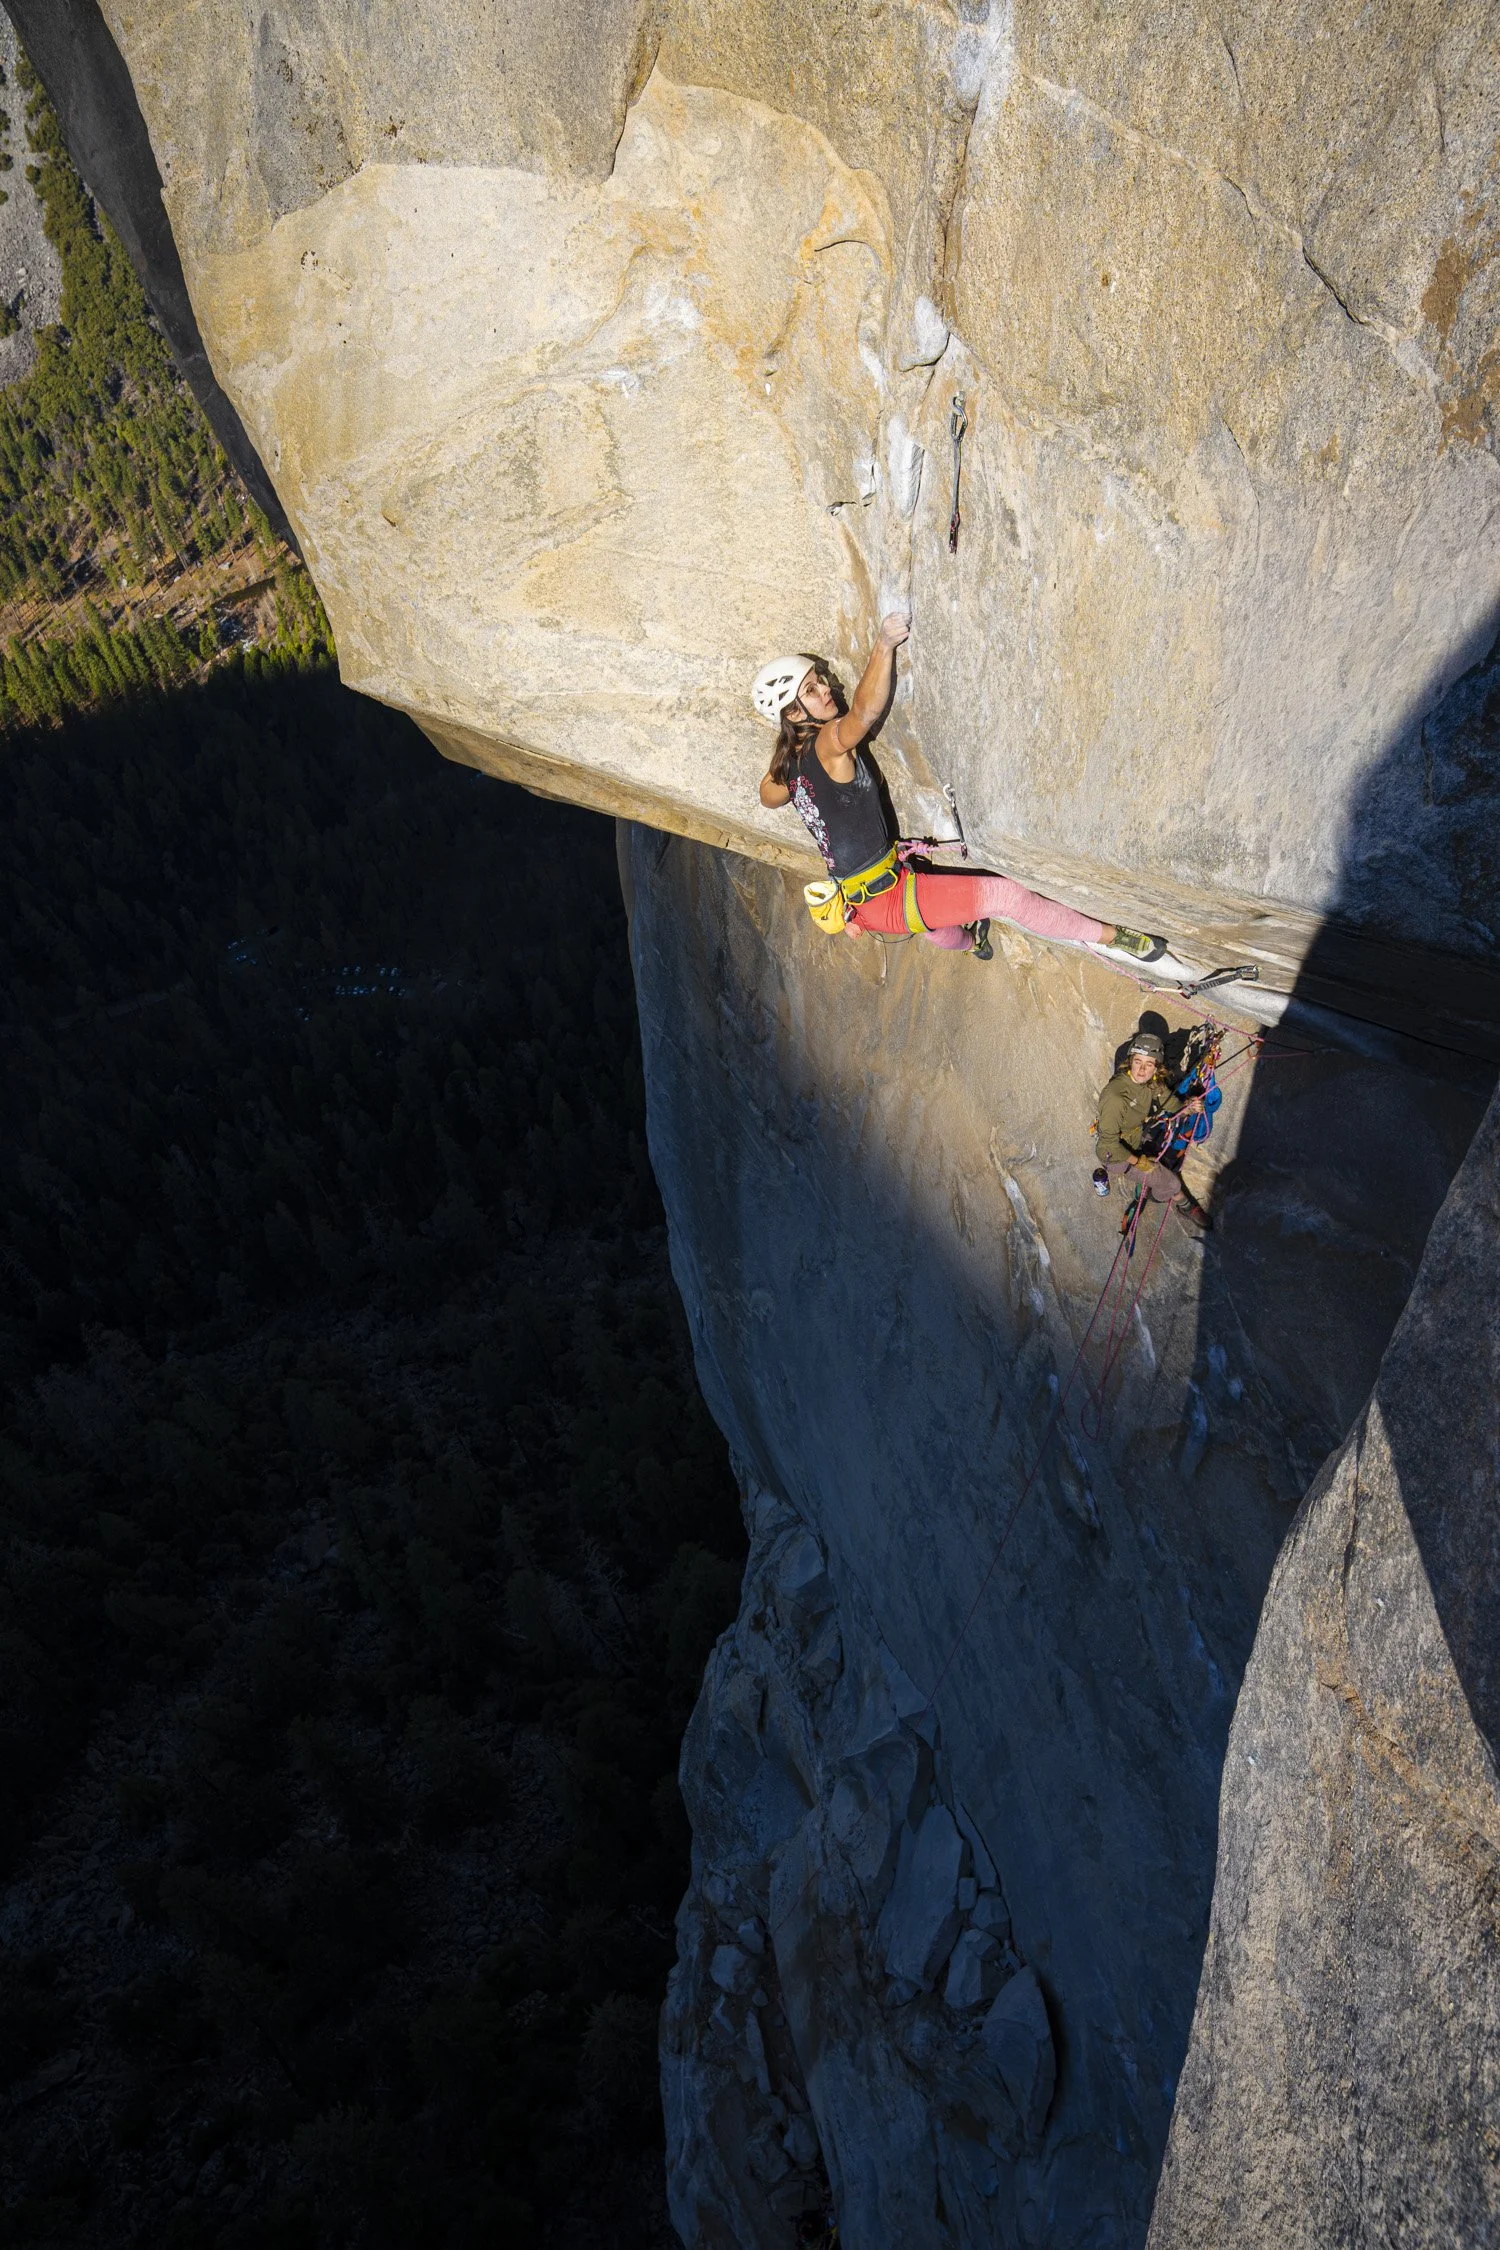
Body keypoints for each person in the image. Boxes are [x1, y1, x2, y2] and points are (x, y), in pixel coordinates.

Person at [752, 618, 1170, 962]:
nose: (827, 688)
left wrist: (784, 763)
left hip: (862, 899)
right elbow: (864, 711)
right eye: (811, 690)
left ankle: (973, 943)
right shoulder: (825, 743)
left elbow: (765, 796)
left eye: (819, 679)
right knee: (1005, 896)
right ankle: (1114, 938)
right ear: (793, 712)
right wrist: (883, 646)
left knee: (933, 922)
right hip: (888, 897)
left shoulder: (788, 767)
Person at [1094, 1030, 1211, 1232]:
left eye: (1149, 1064)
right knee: (1172, 1182)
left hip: (1135, 1136)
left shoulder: (1152, 1082)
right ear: (1130, 1061)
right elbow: (1108, 1145)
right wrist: (1138, 1162)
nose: (1142, 1070)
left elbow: (1171, 1104)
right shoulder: (1115, 1096)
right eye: (1138, 1062)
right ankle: (1180, 1204)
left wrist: (1189, 1106)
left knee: (1162, 1152)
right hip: (1115, 1156)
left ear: (1156, 1067)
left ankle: (1152, 1180)